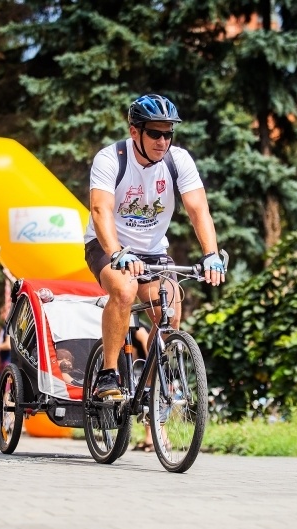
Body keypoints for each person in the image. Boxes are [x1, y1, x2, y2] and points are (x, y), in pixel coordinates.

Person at [83, 94, 227, 400]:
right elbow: (100, 210)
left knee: (170, 315)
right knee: (124, 291)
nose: (163, 141)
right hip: (108, 244)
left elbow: (198, 209)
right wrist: (117, 252)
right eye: (154, 134)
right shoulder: (111, 159)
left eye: (168, 134)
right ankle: (108, 374)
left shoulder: (178, 160)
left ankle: (149, 392)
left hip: (153, 251)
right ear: (134, 131)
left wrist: (211, 254)